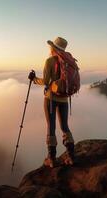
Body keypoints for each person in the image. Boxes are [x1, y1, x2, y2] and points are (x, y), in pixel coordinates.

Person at [28, 37, 76, 168]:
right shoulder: (68, 61)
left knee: (51, 127)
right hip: (64, 99)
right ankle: (71, 156)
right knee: (65, 126)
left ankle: (51, 159)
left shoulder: (50, 61)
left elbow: (46, 81)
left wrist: (34, 79)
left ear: (53, 48)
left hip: (51, 99)